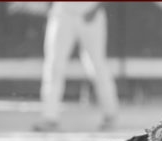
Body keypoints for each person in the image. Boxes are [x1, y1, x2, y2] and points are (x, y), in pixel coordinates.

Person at [30, 2, 119, 131]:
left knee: (97, 65)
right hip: (63, 11)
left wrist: (96, 7)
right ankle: (49, 117)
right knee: (54, 65)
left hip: (90, 11)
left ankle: (110, 114)